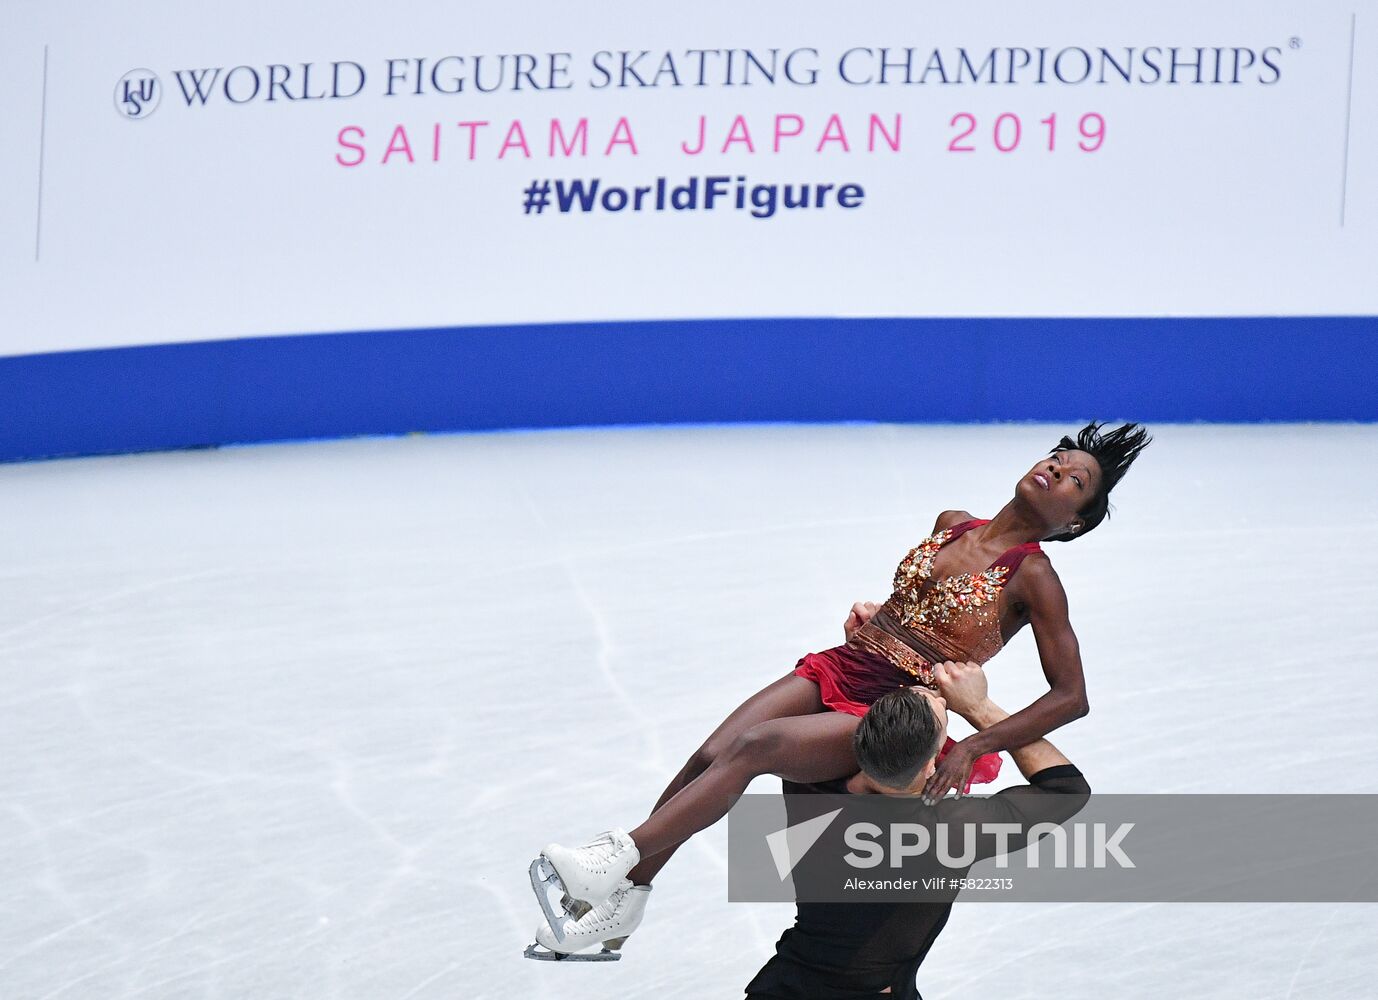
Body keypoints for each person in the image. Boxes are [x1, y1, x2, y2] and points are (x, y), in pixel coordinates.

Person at [527, 422, 1148, 957]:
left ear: (1074, 523)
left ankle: (617, 856)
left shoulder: (1036, 577)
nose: (1057, 469)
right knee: (710, 755)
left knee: (759, 746)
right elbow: (919, 611)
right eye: (1058, 459)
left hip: (899, 706)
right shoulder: (953, 522)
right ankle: (626, 902)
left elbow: (1072, 696)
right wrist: (877, 616)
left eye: (1076, 481)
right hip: (844, 664)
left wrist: (971, 742)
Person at [744, 659, 1092, 999]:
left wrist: (859, 659)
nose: (940, 698)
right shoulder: (949, 830)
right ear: (930, 766)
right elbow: (1065, 790)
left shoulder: (812, 784)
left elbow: (817, 710)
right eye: (944, 716)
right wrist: (978, 709)